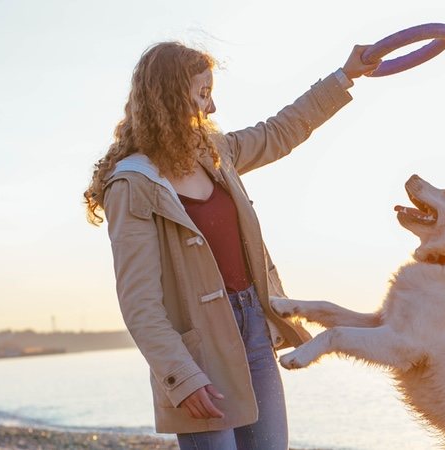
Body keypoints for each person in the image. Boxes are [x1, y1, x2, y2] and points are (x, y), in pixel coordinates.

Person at [83, 41, 380, 450]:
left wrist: (344, 75)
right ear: (169, 97)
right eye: (203, 94)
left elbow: (281, 130)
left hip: (254, 328)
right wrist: (181, 378)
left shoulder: (214, 151)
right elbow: (139, 303)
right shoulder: (131, 185)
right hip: (199, 351)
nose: (212, 107)